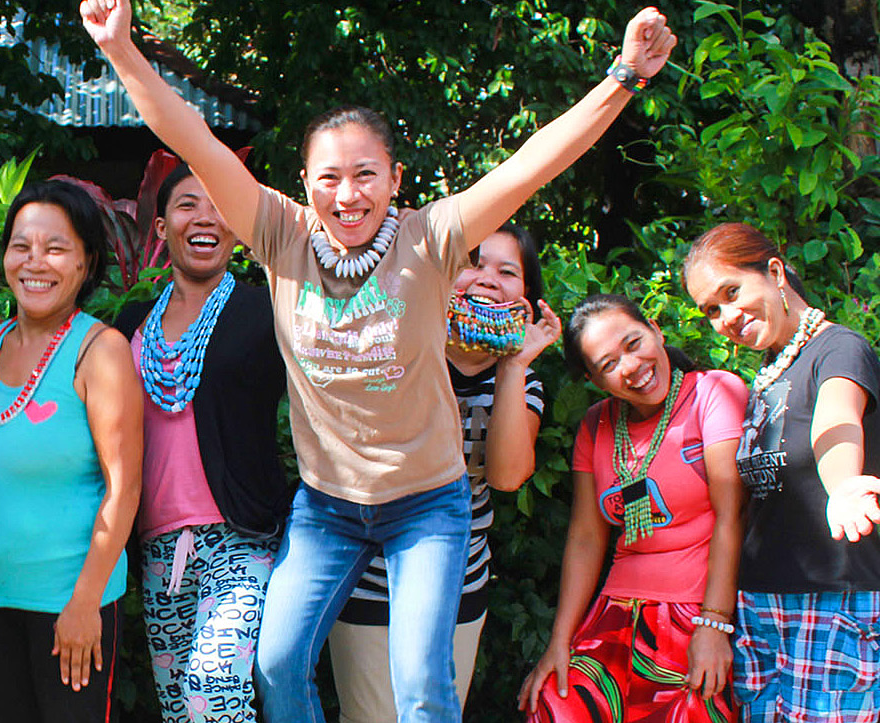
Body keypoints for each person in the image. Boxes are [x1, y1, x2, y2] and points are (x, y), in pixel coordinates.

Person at [80, 1, 677, 720]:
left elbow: (530, 165)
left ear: (394, 179)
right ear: (305, 184)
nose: (347, 193)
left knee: (423, 685)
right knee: (274, 664)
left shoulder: (430, 238)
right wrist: (120, 48)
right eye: (329, 177)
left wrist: (622, 76)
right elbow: (193, 139)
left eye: (365, 174)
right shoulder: (280, 234)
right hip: (327, 507)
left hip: (427, 504)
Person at [329, 224, 560, 720]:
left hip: (459, 582)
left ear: (527, 296)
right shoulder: (392, 344)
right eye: (473, 263)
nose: (488, 279)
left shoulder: (523, 381)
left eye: (508, 271)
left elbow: (506, 476)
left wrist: (514, 365)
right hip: (371, 576)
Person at [0, 180, 141, 723]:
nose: (36, 261)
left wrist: (85, 605)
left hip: (70, 603)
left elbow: (123, 488)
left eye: (56, 248)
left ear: (85, 263)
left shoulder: (100, 351)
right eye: (22, 245)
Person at [111, 164, 289, 722]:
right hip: (157, 547)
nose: (205, 216)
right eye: (188, 205)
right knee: (178, 708)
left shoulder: (266, 312)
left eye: (218, 205)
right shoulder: (130, 323)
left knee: (213, 690)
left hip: (239, 538)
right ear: (161, 227)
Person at [682, 224, 880, 721]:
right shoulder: (769, 371)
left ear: (773, 272)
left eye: (731, 293)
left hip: (834, 601)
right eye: (711, 310)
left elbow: (836, 422)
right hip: (762, 607)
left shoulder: (839, 349)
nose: (726, 317)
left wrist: (842, 488)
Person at [518, 294, 743, 721]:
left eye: (633, 342)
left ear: (655, 330)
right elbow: (586, 537)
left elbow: (734, 513)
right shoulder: (596, 423)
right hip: (615, 615)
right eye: (608, 364)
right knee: (553, 704)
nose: (631, 365)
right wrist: (559, 642)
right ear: (593, 380)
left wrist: (715, 624)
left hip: (695, 611)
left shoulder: (712, 392)